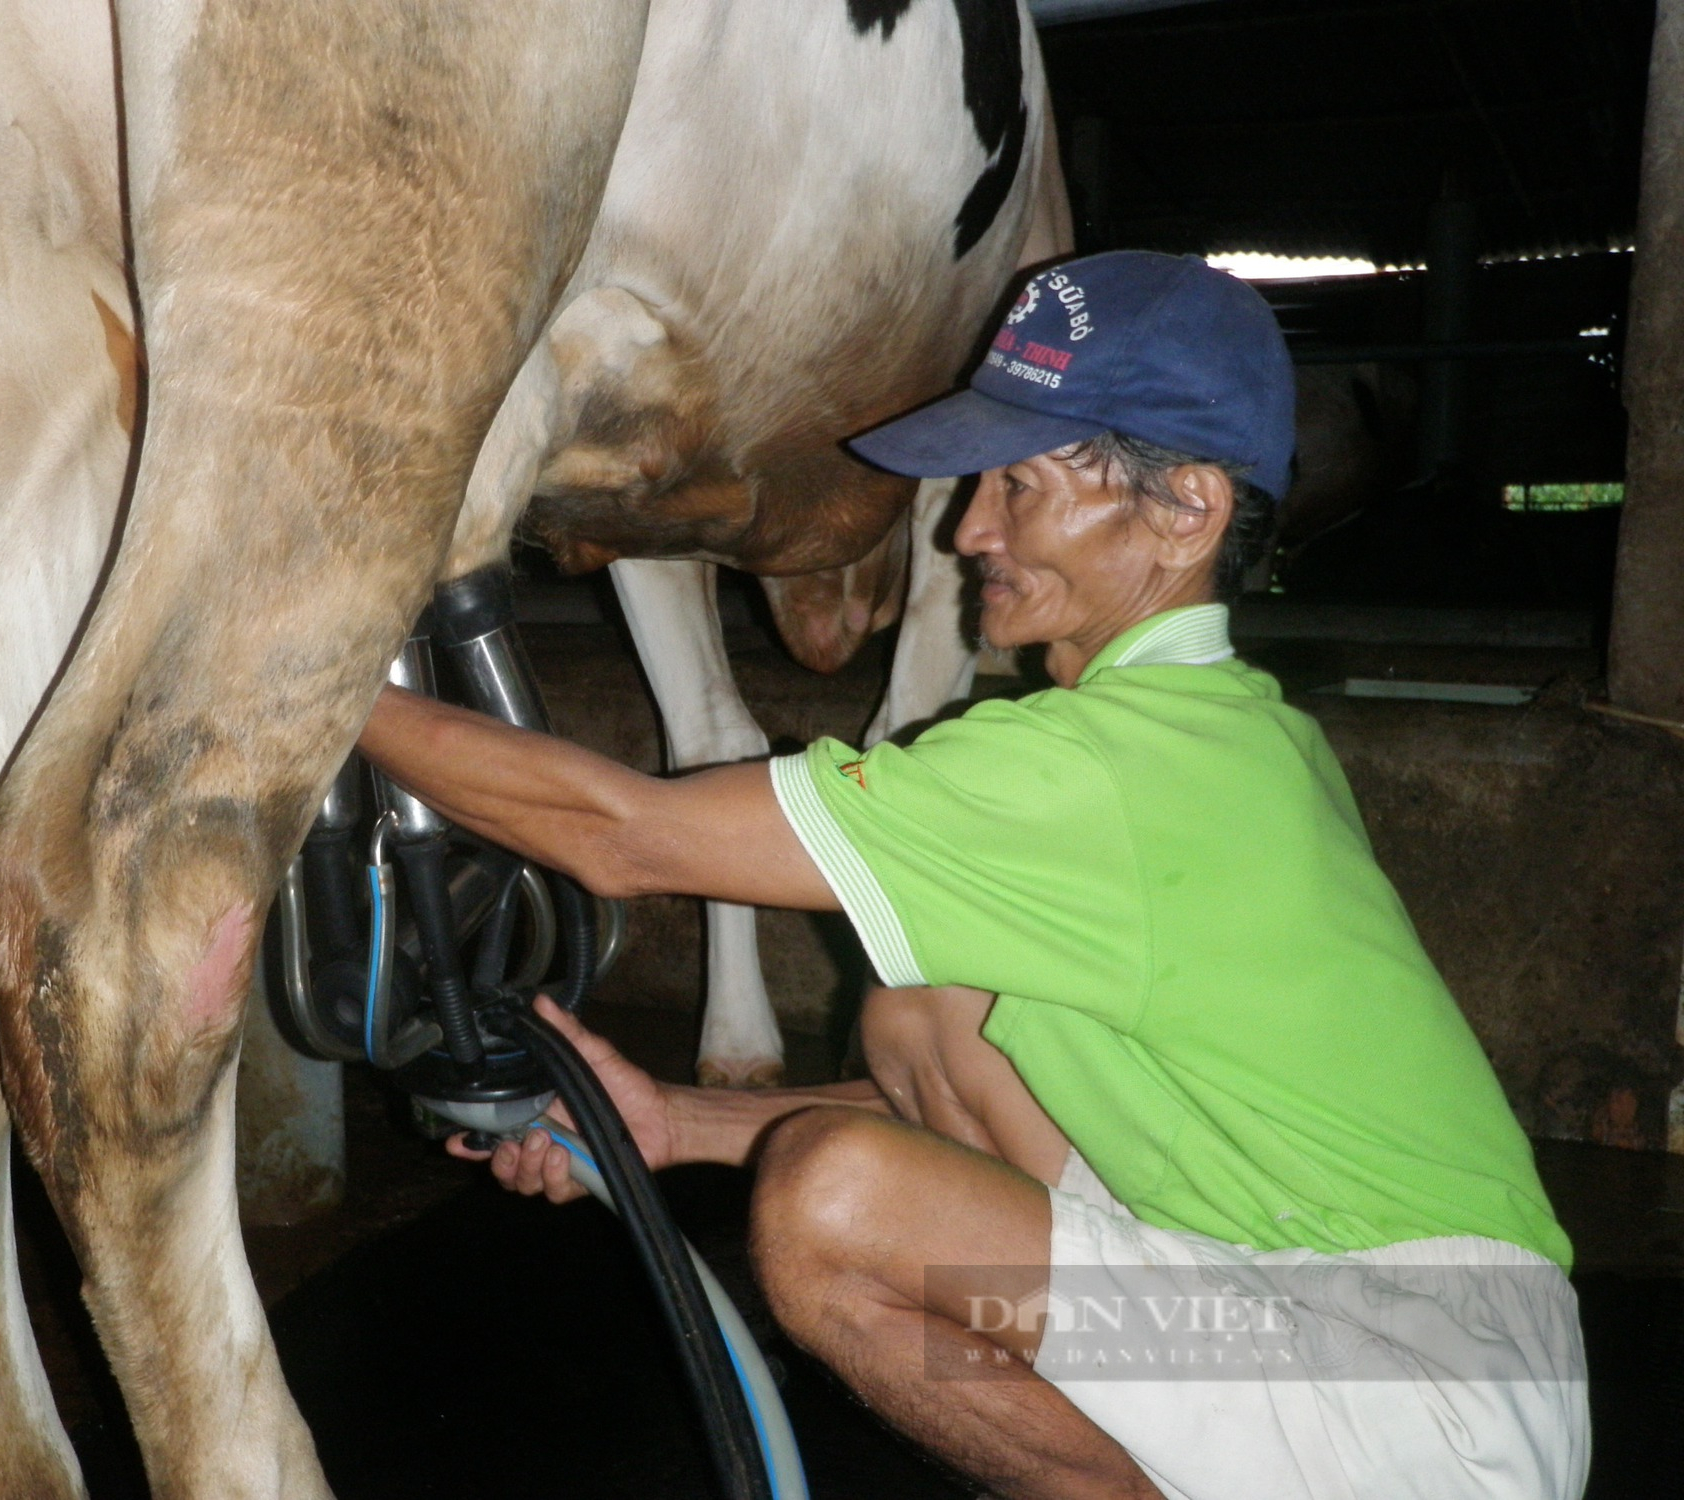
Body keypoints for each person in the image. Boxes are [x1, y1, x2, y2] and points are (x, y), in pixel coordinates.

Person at [356, 251, 1588, 1500]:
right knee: (929, 1020)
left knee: (831, 1203)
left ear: (1186, 510)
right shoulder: (1224, 731)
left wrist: (308, 677)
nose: (969, 528)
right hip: (1365, 1323)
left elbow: (621, 835)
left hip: (1411, 1389)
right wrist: (677, 1127)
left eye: (1020, 485)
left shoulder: (1102, 768)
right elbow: (969, 1118)